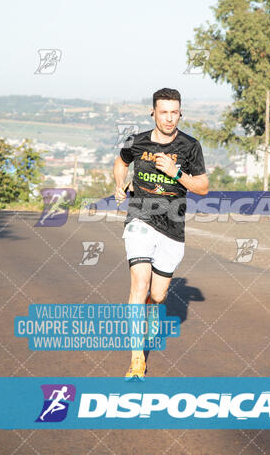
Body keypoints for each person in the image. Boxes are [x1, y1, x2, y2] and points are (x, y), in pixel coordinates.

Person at [113, 88, 208, 378]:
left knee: (157, 293)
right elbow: (121, 161)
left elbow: (203, 187)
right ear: (153, 113)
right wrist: (120, 183)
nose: (169, 118)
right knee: (138, 286)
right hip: (140, 219)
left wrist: (176, 174)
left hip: (172, 227)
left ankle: (155, 306)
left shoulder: (190, 147)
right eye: (163, 111)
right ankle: (136, 359)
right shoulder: (136, 141)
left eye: (174, 112)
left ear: (181, 113)